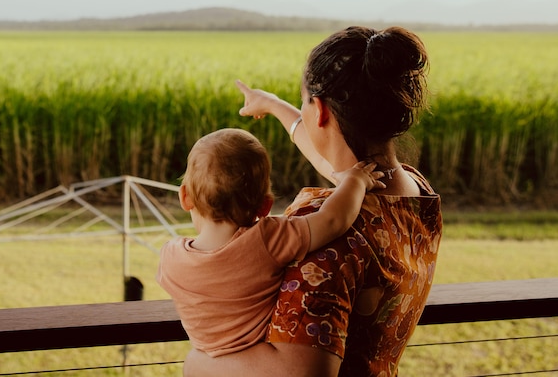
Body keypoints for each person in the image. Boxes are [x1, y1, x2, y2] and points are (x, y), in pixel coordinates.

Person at [183, 26, 443, 377]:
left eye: (304, 101)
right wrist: (275, 106)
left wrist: (197, 362)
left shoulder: (326, 237)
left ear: (319, 110)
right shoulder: (413, 193)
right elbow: (331, 161)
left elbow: (299, 372)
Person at [157, 127, 385, 358]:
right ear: (265, 206)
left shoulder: (170, 258)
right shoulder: (266, 239)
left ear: (185, 197)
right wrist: (355, 181)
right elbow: (333, 220)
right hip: (263, 361)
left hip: (210, 364)